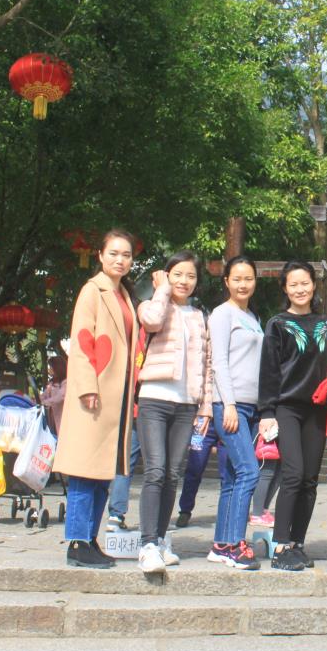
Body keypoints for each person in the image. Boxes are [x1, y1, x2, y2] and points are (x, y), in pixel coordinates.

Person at [51, 232, 139, 567]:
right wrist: (88, 386)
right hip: (95, 396)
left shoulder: (124, 295)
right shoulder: (93, 291)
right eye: (113, 253)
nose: (120, 260)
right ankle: (77, 541)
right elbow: (82, 341)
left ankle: (90, 538)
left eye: (126, 255)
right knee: (84, 470)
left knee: (104, 472)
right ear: (100, 255)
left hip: (117, 399)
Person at [134, 250, 214, 573]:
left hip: (186, 404)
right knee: (155, 470)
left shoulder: (199, 316)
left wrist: (205, 407)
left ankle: (161, 538)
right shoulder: (152, 304)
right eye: (177, 274)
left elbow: (207, 364)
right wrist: (162, 290)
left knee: (171, 474)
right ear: (166, 275)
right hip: (154, 397)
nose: (184, 281)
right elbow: (152, 321)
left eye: (190, 276)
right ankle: (147, 545)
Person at [258, 261, 327, 572]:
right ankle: (280, 546)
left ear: (313, 285)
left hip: (318, 410)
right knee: (293, 474)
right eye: (293, 284)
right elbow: (269, 371)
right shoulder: (277, 324)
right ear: (285, 288)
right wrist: (267, 412)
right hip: (287, 408)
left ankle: (297, 543)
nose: (300, 289)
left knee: (310, 479)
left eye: (305, 283)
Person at [203, 255, 264, 570]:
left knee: (231, 477)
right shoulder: (222, 313)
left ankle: (221, 544)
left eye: (248, 278)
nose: (243, 284)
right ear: (226, 281)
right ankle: (236, 545)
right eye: (237, 279)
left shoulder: (252, 316)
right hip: (231, 404)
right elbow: (219, 362)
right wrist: (227, 403)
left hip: (251, 407)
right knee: (249, 472)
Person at [41, 356, 67, 435]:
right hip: (52, 420)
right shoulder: (52, 383)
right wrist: (36, 400)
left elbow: (61, 396)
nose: (49, 370)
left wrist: (45, 402)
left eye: (51, 367)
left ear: (57, 368)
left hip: (63, 419)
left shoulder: (66, 382)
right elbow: (44, 395)